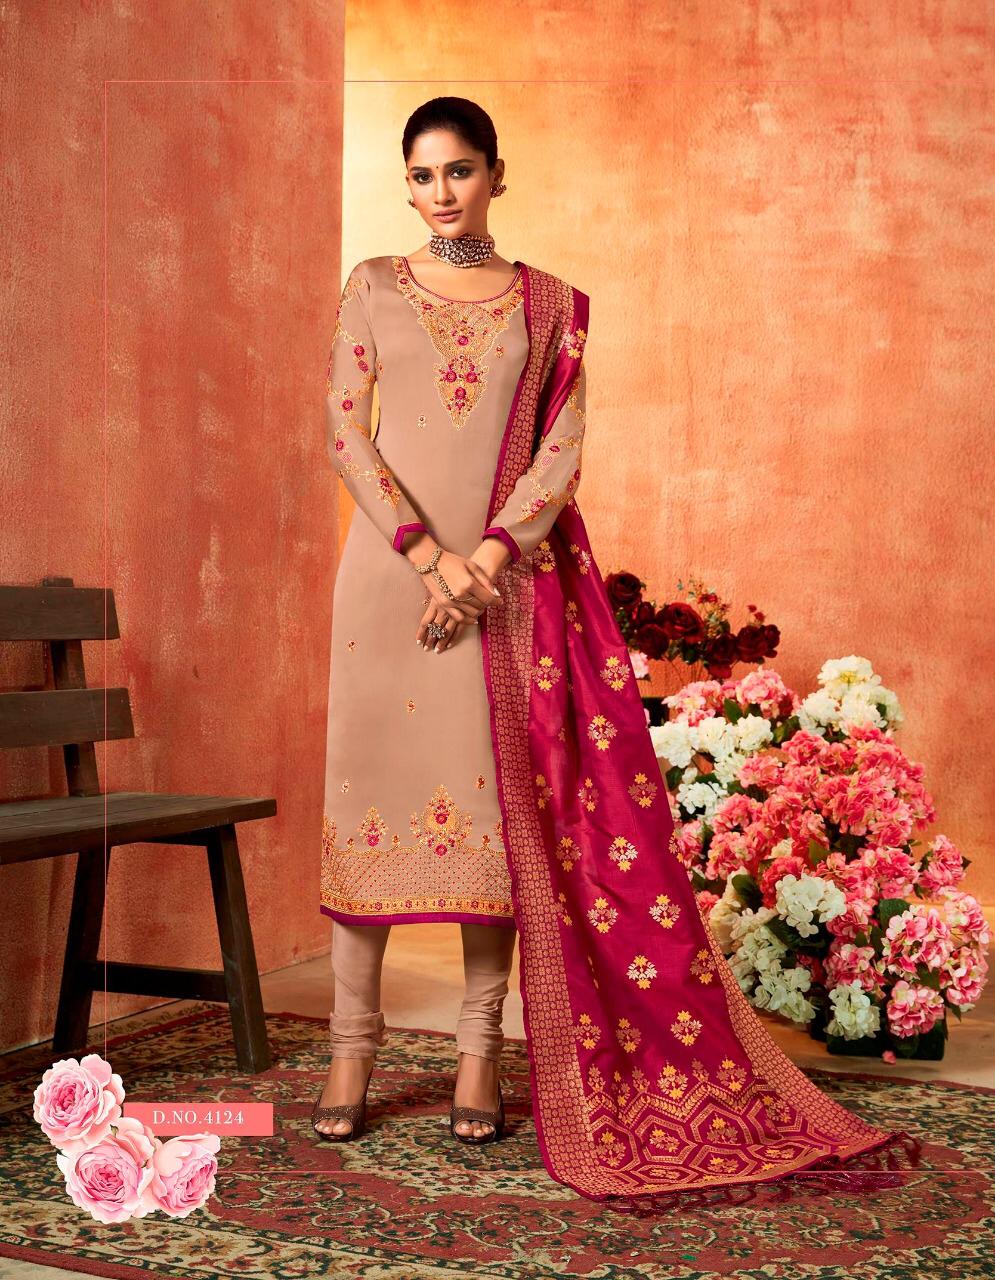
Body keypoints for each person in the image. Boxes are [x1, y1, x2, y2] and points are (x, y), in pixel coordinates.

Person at [315, 95, 895, 1204]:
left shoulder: (548, 306)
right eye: (421, 174)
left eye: (459, 170)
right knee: (366, 808)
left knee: (490, 829)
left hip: (502, 591)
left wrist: (484, 563)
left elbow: (559, 453)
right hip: (387, 585)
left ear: (497, 174)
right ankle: (352, 1048)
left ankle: (477, 1053)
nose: (440, 192)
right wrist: (427, 559)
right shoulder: (373, 286)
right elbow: (346, 427)